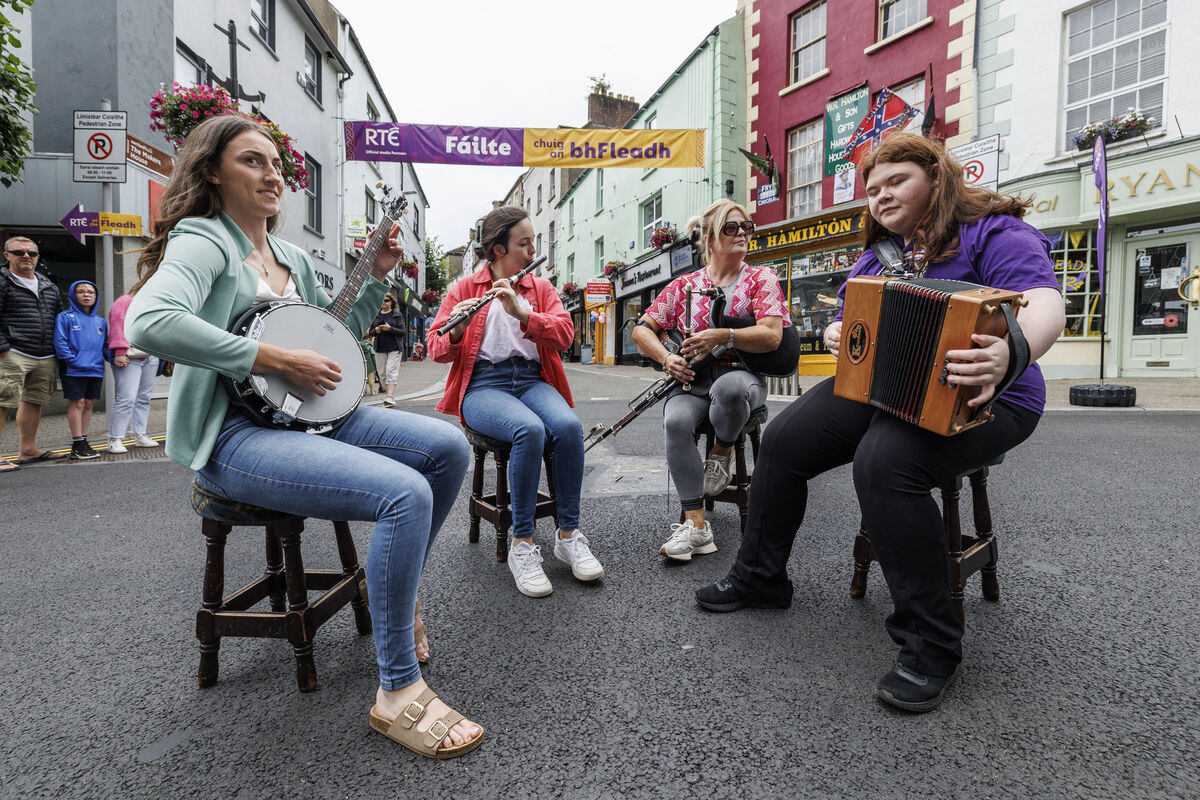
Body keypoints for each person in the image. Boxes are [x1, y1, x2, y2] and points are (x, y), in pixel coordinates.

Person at [124, 114, 480, 758]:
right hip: (237, 434)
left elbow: (335, 336)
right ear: (212, 173)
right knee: (405, 494)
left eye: (276, 165)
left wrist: (374, 278)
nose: (272, 175)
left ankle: (392, 584)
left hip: (317, 415)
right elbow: (149, 322)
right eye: (251, 162)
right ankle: (397, 691)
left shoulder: (291, 257)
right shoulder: (204, 241)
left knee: (449, 447)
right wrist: (270, 359)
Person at [694, 133, 1066, 713]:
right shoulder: (879, 254)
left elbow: (1046, 302)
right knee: (785, 440)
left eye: (897, 182)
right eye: (873, 189)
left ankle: (930, 646)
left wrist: (1010, 352)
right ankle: (761, 578)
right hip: (885, 388)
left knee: (886, 462)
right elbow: (850, 323)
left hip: (993, 396)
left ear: (937, 179)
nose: (882, 197)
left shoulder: (993, 232)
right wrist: (841, 332)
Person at [427, 205, 602, 598]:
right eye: (524, 244)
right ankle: (523, 545)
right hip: (483, 386)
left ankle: (568, 535)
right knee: (529, 430)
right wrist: (456, 328)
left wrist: (524, 313)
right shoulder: (464, 289)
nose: (532, 250)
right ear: (497, 249)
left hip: (529, 379)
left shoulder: (539, 288)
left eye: (533, 243)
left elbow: (565, 335)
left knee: (570, 428)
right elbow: (435, 348)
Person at [631, 199, 788, 562]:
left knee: (729, 388)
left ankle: (720, 452)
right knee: (675, 420)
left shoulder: (759, 279)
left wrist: (725, 336)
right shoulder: (684, 286)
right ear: (711, 238)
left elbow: (772, 335)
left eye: (746, 227)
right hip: (694, 381)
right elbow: (643, 329)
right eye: (732, 228)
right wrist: (667, 358)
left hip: (743, 377)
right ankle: (697, 527)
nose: (742, 234)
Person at [0, 235, 66, 471]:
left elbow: (58, 318)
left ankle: (27, 450)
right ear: (7, 255)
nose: (26, 256)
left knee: (34, 401)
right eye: (19, 252)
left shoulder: (47, 284)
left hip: (44, 354)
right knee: (2, 401)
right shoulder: (2, 281)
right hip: (13, 352)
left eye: (32, 253)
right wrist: (3, 349)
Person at [53, 281, 109, 459]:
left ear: (96, 296)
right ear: (73, 294)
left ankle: (83, 441)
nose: (86, 295)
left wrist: (118, 358)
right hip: (73, 368)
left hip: (95, 368)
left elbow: (106, 346)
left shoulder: (101, 321)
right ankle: (77, 443)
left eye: (90, 292)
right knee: (77, 403)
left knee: (89, 404)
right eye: (81, 291)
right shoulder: (65, 317)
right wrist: (72, 360)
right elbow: (60, 342)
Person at [105, 293, 161, 453]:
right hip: (130, 355)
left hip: (150, 355)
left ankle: (140, 434)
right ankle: (114, 438)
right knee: (126, 398)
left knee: (144, 397)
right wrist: (120, 351)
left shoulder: (153, 301)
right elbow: (117, 323)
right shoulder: (125, 301)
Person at [369, 293, 404, 405]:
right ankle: (389, 394)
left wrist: (389, 329)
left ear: (391, 302)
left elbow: (403, 332)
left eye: (386, 300)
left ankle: (390, 396)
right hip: (379, 348)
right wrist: (376, 331)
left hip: (394, 347)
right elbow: (370, 332)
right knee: (382, 374)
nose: (384, 302)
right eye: (382, 300)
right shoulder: (376, 315)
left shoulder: (397, 315)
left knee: (391, 371)